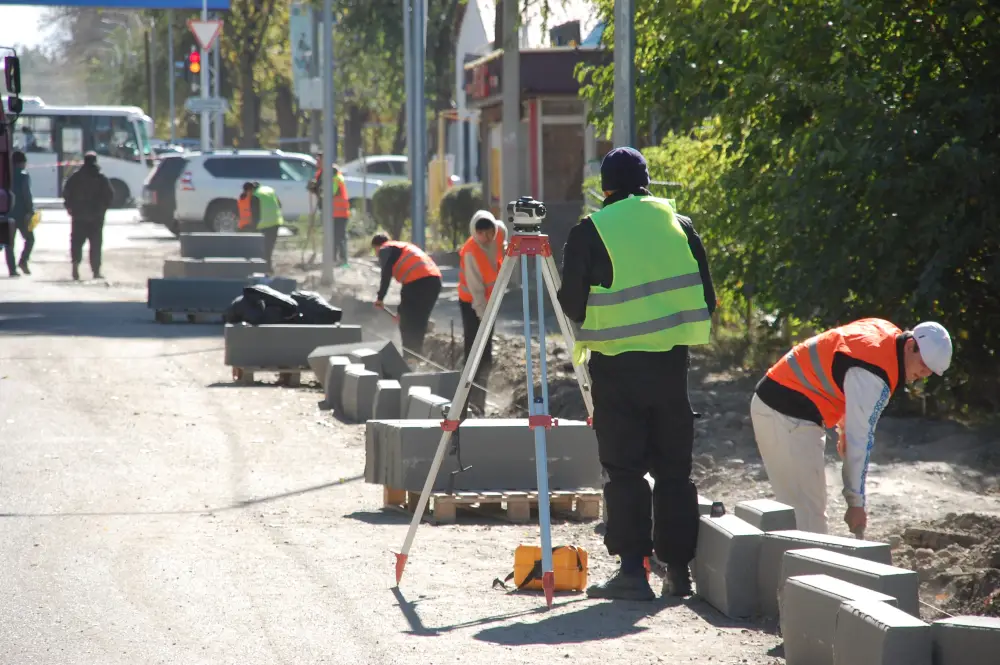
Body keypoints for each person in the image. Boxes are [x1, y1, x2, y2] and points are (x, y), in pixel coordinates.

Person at [557, 146, 717, 601]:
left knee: (624, 469)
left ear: (605, 188)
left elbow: (571, 305)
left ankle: (632, 573)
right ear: (647, 182)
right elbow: (706, 299)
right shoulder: (680, 225)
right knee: (674, 471)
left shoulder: (592, 230)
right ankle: (679, 574)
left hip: (617, 368)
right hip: (671, 368)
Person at [751, 318, 952, 535]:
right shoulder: (875, 373)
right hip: (784, 414)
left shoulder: (883, 333)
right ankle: (796, 567)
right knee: (808, 520)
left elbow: (842, 371)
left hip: (787, 408)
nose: (923, 375)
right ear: (911, 346)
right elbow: (860, 439)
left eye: (930, 372)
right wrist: (856, 502)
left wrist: (844, 426)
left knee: (804, 513)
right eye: (923, 366)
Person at [457, 209, 508, 414]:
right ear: (474, 232)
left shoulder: (498, 234)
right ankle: (468, 402)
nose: (486, 238)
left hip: (490, 303)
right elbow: (476, 291)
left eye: (489, 233)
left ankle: (480, 402)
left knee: (486, 354)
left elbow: (503, 230)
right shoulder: (471, 252)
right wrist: (484, 318)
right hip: (472, 305)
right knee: (475, 352)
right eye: (481, 234)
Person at [371, 232, 442, 358]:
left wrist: (380, 298)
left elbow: (385, 274)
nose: (377, 255)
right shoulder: (402, 247)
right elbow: (407, 289)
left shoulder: (384, 249)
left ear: (377, 246)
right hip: (434, 281)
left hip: (419, 282)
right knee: (419, 321)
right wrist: (400, 311)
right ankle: (416, 358)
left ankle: (409, 358)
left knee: (408, 324)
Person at [63, 151, 114, 281]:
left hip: (79, 216)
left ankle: (75, 267)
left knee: (76, 243)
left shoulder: (75, 177)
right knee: (96, 245)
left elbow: (66, 193)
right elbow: (109, 196)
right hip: (96, 217)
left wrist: (70, 207)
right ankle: (96, 271)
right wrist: (102, 209)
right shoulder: (101, 178)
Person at [308, 158, 351, 264]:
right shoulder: (336, 178)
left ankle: (341, 260)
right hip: (335, 213)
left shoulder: (336, 179)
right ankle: (334, 259)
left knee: (338, 237)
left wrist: (317, 190)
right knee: (335, 236)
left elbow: (328, 194)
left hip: (338, 213)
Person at [238, 181, 285, 271]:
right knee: (270, 247)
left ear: (250, 190)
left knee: (263, 248)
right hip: (276, 222)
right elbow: (279, 205)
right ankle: (269, 268)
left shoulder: (255, 196)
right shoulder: (270, 190)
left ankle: (266, 268)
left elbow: (255, 214)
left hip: (264, 224)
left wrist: (253, 228)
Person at [5, 151, 35, 277]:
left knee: (9, 243)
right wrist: (30, 210)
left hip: (6, 214)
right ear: (22, 162)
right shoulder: (23, 175)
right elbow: (26, 194)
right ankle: (23, 261)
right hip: (22, 214)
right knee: (30, 239)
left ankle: (12, 270)